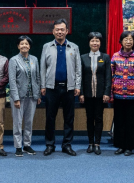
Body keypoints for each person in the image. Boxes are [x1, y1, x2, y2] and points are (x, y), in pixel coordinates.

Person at [40, 19, 82, 157]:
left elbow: (78, 69)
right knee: (50, 118)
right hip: (51, 88)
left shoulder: (74, 47)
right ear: (53, 31)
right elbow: (42, 68)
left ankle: (67, 145)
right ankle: (49, 145)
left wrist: (77, 86)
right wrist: (43, 85)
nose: (59, 32)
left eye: (62, 29)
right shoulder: (46, 46)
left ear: (66, 31)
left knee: (69, 118)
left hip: (69, 88)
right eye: (57, 29)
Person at [111, 31, 134, 156]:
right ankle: (120, 145)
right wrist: (110, 93)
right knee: (119, 121)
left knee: (131, 122)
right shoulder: (115, 56)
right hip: (118, 94)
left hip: (132, 95)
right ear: (121, 41)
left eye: (131, 39)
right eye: (125, 39)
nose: (128, 41)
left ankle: (129, 147)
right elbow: (111, 75)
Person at [9, 36, 41, 157]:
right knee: (17, 122)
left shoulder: (34, 59)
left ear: (30, 46)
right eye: (22, 44)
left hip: (32, 96)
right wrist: (16, 98)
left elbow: (37, 77)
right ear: (18, 46)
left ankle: (27, 145)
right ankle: (18, 147)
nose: (24, 46)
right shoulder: (13, 60)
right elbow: (12, 80)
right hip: (19, 97)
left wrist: (37, 94)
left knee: (29, 122)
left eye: (26, 44)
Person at [79, 32, 111, 156]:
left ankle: (97, 144)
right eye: (92, 40)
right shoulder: (83, 57)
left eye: (97, 41)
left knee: (99, 118)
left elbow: (108, 76)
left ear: (100, 43)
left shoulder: (105, 57)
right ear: (89, 43)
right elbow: (80, 76)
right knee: (89, 119)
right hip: (87, 94)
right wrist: (81, 93)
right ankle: (90, 143)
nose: (95, 43)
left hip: (100, 94)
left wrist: (106, 92)